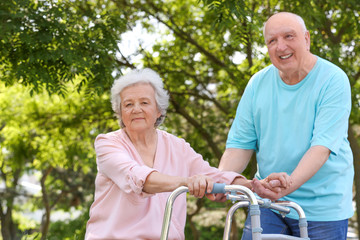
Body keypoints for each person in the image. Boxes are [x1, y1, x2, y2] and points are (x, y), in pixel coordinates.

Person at [218, 12, 354, 240]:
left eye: (289, 36)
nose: (281, 47)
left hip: (322, 207)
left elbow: (321, 148)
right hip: (268, 201)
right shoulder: (257, 84)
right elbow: (240, 145)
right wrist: (222, 179)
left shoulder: (333, 79)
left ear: (307, 39)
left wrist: (285, 187)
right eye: (272, 41)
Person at [85, 68, 256, 240]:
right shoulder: (107, 143)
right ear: (121, 113)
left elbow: (214, 176)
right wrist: (187, 182)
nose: (136, 109)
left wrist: (256, 186)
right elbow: (138, 177)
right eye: (128, 104)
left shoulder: (177, 146)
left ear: (159, 110)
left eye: (144, 103)